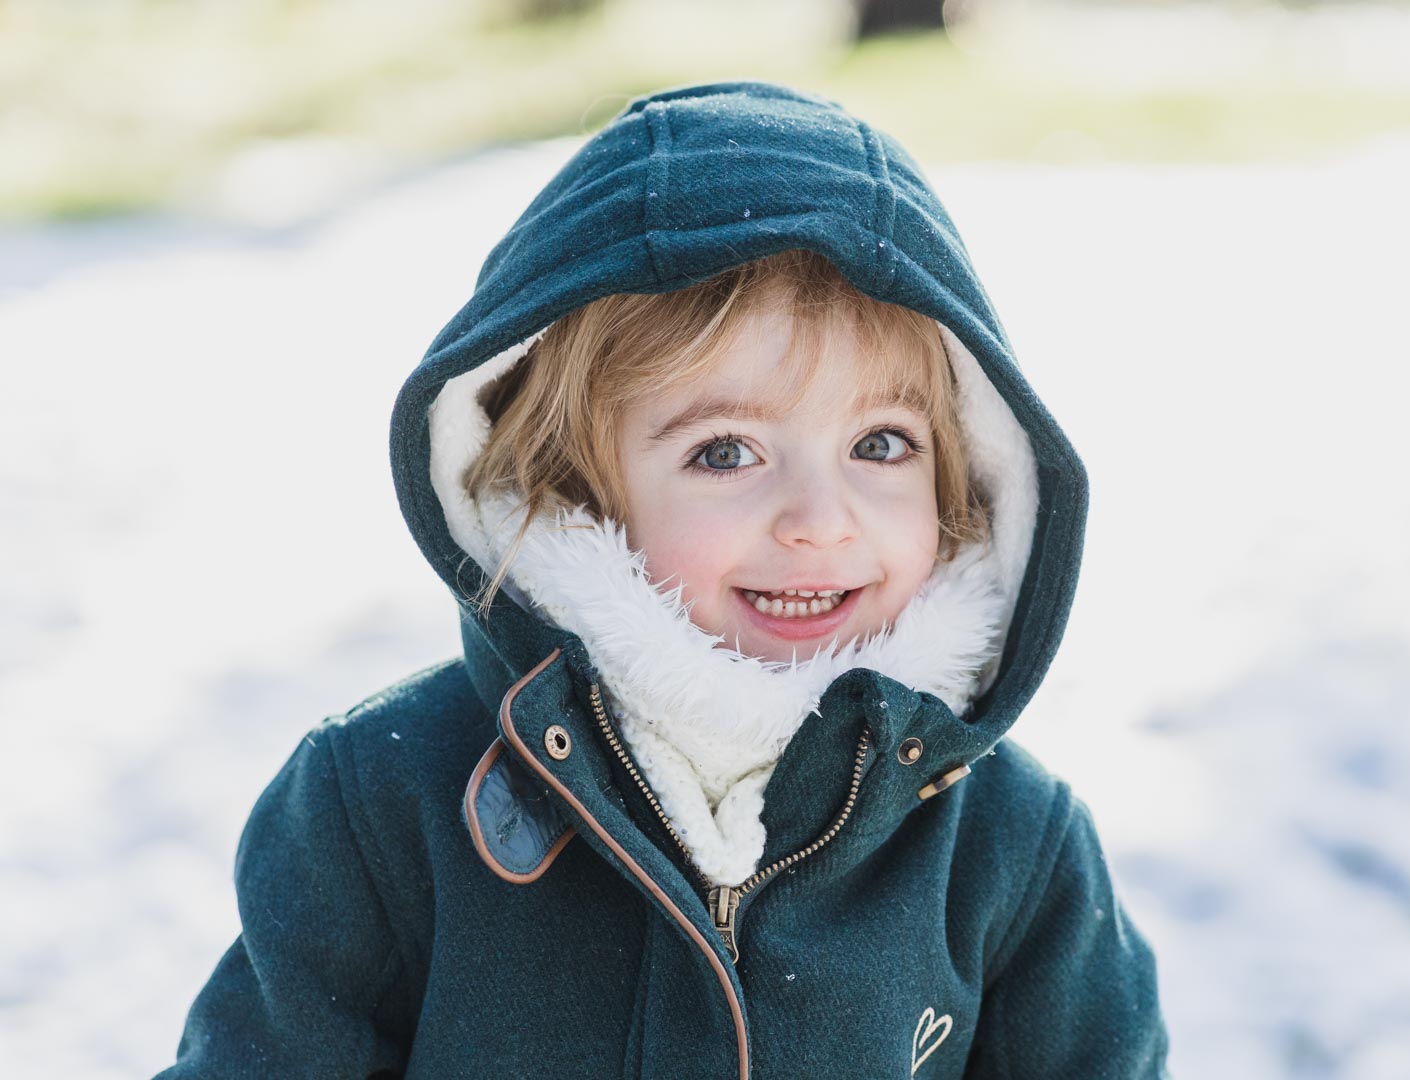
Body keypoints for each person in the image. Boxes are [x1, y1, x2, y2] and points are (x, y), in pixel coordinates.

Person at [158, 80, 1168, 1078]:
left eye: (881, 442)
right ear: (577, 484)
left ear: (965, 467)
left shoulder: (1007, 848)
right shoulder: (382, 804)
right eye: (726, 453)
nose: (820, 521)